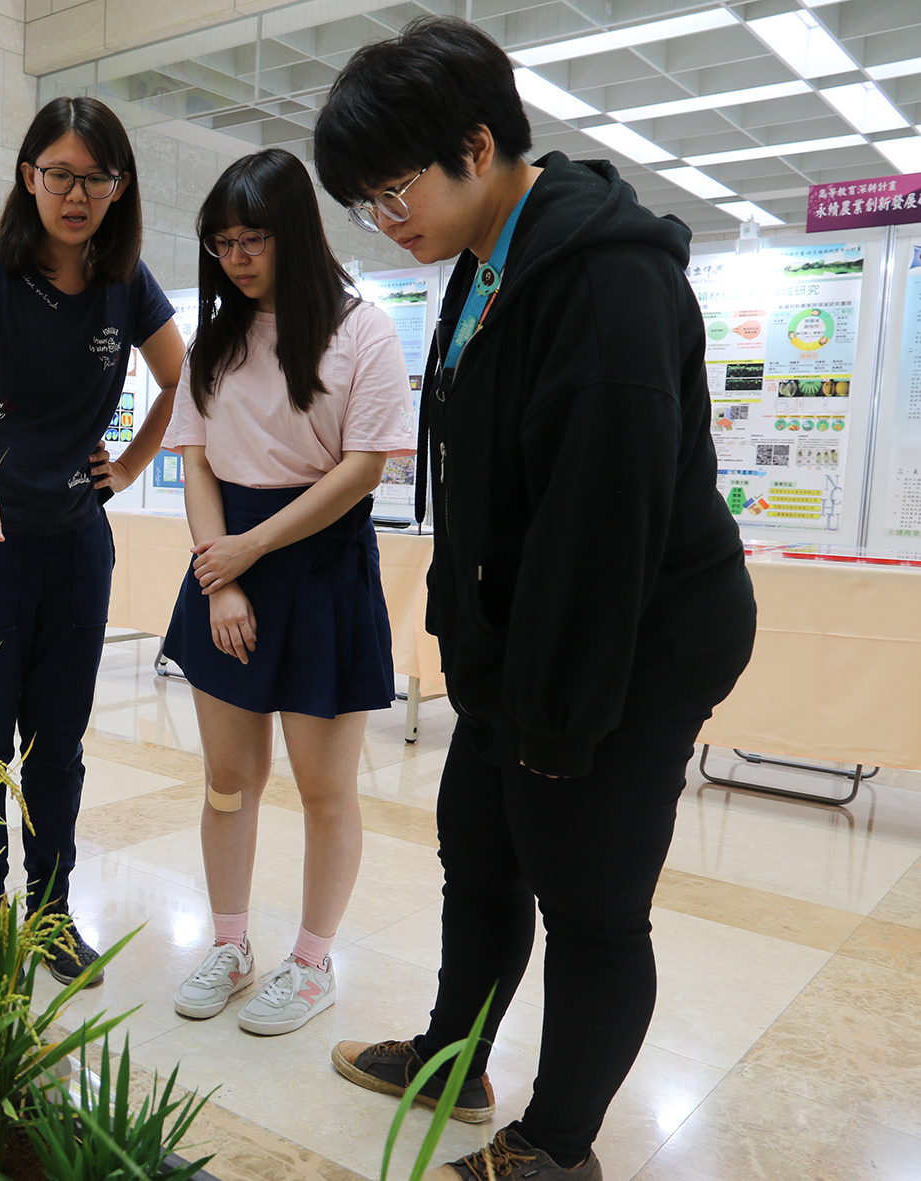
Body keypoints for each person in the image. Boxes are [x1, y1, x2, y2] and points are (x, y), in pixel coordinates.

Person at [311, 17, 755, 1181]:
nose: (386, 218)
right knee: (482, 850)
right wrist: (481, 656)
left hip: (626, 645)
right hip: (524, 636)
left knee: (591, 899)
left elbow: (600, 523)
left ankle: (556, 1147)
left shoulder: (603, 275)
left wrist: (554, 716)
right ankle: (453, 1060)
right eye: (365, 202)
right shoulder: (482, 258)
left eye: (394, 187)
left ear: (475, 144)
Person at [0, 95, 186, 985]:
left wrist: (136, 460)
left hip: (75, 540)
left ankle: (46, 914)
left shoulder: (128, 282)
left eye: (96, 178)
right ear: (28, 176)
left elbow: (186, 382)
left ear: (120, 187)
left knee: (58, 746)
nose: (77, 194)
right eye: (60, 174)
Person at [161, 149, 412, 1036]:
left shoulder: (361, 331)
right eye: (222, 242)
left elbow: (364, 468)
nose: (236, 257)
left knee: (323, 790)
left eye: (254, 239)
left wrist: (248, 549)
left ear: (293, 234)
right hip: (224, 566)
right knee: (229, 780)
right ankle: (230, 944)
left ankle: (312, 962)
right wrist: (219, 575)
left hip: (320, 570)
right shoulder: (216, 340)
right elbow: (194, 461)